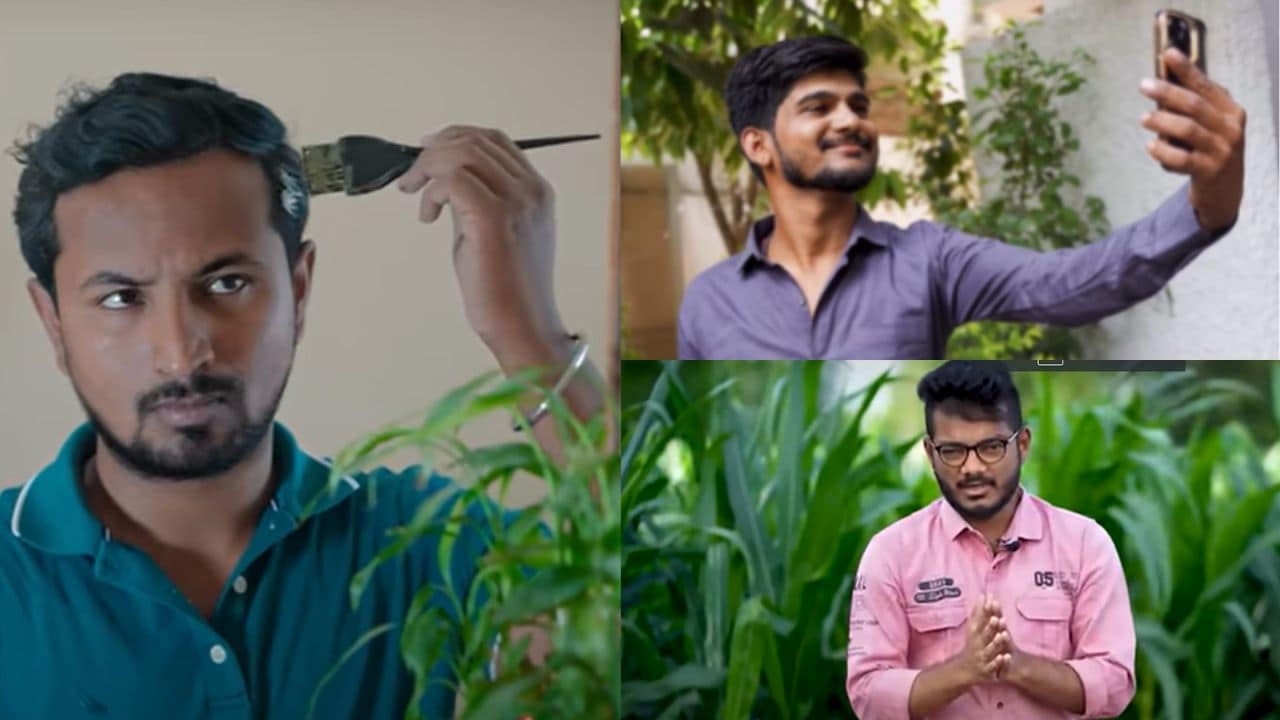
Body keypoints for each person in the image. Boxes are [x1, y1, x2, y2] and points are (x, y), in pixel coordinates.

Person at [0, 72, 602, 719]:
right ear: (54, 323)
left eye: (227, 284)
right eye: (121, 299)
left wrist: (529, 332)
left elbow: (687, 599)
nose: (181, 354)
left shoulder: (428, 543)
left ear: (300, 290)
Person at [677, 35, 1247, 359]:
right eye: (819, 107)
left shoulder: (930, 260)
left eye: (859, 105)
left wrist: (1208, 202)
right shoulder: (709, 303)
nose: (851, 120)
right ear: (759, 145)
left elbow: (1072, 283)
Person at [846, 361, 1136, 719]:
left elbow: (1115, 681)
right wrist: (965, 670)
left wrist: (1017, 665)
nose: (972, 468)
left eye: (991, 447)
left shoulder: (1084, 544)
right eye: (952, 451)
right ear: (930, 453)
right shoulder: (891, 554)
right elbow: (867, 694)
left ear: (1023, 443)